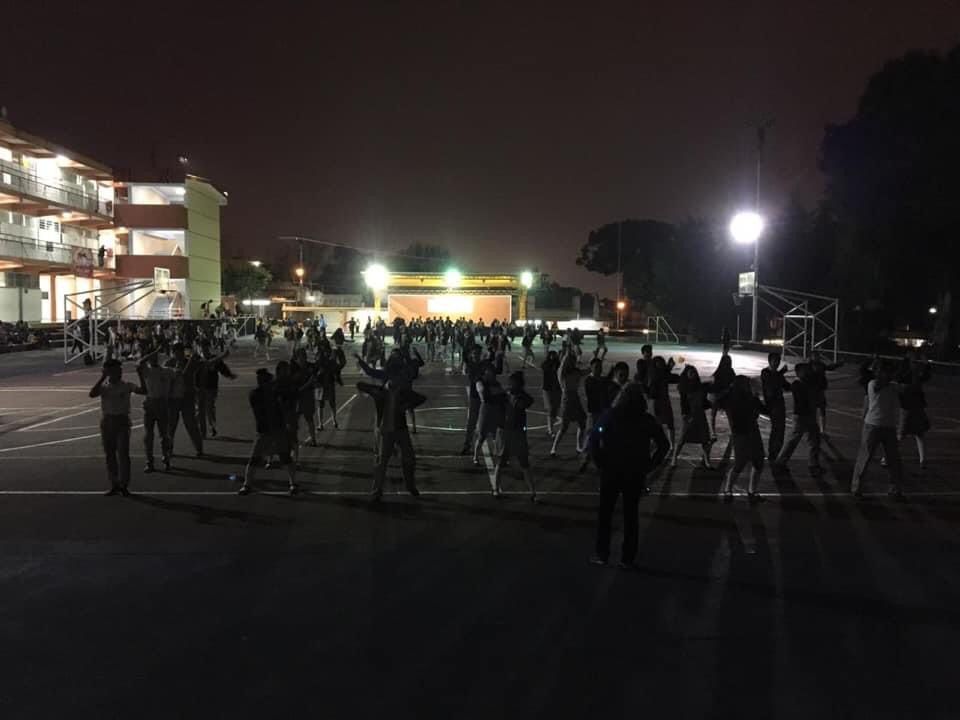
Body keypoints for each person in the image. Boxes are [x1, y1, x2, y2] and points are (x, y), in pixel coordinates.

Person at [589, 384, 669, 568]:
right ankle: (627, 558)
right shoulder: (646, 419)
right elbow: (664, 445)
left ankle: (602, 554)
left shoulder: (610, 415)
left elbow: (593, 440)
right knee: (631, 516)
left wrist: (600, 463)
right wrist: (649, 465)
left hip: (611, 471)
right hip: (635, 472)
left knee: (606, 514)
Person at [90, 359, 145, 496]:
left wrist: (141, 375)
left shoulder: (126, 385)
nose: (119, 373)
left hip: (122, 421)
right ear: (109, 372)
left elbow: (143, 390)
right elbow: (92, 394)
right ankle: (114, 483)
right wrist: (102, 377)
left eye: (120, 370)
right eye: (116, 370)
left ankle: (124, 484)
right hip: (107, 421)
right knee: (110, 454)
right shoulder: (105, 387)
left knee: (123, 453)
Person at [238, 369, 297, 495]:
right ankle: (247, 484)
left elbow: (287, 398)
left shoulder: (266, 393)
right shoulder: (257, 395)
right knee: (255, 459)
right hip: (267, 430)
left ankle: (293, 484)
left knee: (285, 457)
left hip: (274, 430)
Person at [851, 361, 904, 499]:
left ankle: (895, 488)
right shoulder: (873, 384)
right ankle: (856, 487)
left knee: (894, 460)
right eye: (886, 372)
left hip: (889, 427)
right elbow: (881, 384)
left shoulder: (893, 386)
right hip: (872, 425)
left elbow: (908, 389)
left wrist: (913, 373)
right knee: (865, 457)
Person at [719, 375, 767, 501]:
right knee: (741, 463)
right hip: (742, 434)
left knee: (757, 461)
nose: (749, 386)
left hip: (751, 432)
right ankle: (729, 489)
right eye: (747, 384)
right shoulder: (735, 399)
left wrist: (757, 397)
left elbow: (765, 410)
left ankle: (750, 490)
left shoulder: (749, 398)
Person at [492, 371, 537, 501]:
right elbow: (491, 398)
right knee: (501, 461)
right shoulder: (504, 395)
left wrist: (517, 398)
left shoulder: (522, 397)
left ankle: (533, 491)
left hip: (517, 432)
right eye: (511, 382)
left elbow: (527, 402)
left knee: (524, 462)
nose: (511, 384)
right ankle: (496, 488)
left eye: (514, 382)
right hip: (504, 431)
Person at [772, 363, 822, 475]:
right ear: (799, 372)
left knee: (814, 440)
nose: (808, 372)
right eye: (805, 371)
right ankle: (780, 462)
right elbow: (805, 397)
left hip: (808, 415)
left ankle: (813, 464)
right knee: (793, 440)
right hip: (801, 416)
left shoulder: (805, 382)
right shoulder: (797, 384)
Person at [166, 343, 204, 457]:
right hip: (173, 398)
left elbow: (204, 364)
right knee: (171, 425)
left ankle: (199, 448)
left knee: (191, 423)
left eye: (181, 352)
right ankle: (168, 449)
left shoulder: (190, 362)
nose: (179, 355)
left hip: (187, 396)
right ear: (173, 353)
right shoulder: (169, 364)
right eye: (176, 353)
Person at [672, 365, 714, 468]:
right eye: (691, 373)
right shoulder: (684, 387)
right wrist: (684, 414)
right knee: (682, 438)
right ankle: (674, 458)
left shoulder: (700, 387)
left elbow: (704, 401)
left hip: (700, 415)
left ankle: (707, 461)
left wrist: (711, 404)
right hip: (689, 415)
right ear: (686, 374)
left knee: (704, 439)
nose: (693, 375)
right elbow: (683, 402)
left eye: (694, 373)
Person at [550, 349, 589, 457]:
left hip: (575, 398)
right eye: (571, 361)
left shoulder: (576, 371)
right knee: (564, 427)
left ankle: (578, 446)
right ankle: (554, 448)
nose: (573, 363)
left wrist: (594, 362)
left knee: (582, 423)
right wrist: (567, 355)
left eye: (574, 361)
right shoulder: (562, 373)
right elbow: (563, 366)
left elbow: (587, 371)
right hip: (567, 399)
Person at [139, 352, 173, 472]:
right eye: (150, 357)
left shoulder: (166, 371)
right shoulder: (147, 371)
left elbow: (179, 375)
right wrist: (153, 352)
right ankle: (149, 461)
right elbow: (140, 363)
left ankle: (166, 458)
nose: (152, 359)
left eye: (154, 357)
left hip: (162, 403)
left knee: (164, 434)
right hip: (150, 403)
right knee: (148, 435)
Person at [195, 343, 237, 439]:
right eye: (202, 348)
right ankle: (199, 428)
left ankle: (211, 427)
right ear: (199, 349)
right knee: (200, 410)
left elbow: (222, 368)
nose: (204, 350)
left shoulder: (214, 359)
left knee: (210, 408)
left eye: (205, 348)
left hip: (211, 388)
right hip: (199, 389)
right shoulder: (197, 359)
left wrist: (229, 375)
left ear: (209, 348)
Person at [897, 358, 931, 470]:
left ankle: (922, 460)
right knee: (914, 435)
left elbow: (925, 377)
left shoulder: (909, 377)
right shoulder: (911, 378)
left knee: (906, 435)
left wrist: (926, 366)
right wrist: (926, 366)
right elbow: (925, 377)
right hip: (913, 408)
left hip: (910, 408)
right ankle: (922, 460)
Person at [474, 363, 507, 466]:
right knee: (482, 435)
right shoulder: (480, 382)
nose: (492, 374)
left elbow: (503, 396)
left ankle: (498, 456)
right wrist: (497, 394)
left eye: (492, 372)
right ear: (485, 372)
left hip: (496, 410)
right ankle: (475, 457)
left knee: (496, 435)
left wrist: (497, 395)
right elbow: (485, 397)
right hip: (486, 411)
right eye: (489, 371)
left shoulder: (496, 383)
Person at [760, 352, 789, 461]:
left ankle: (776, 452)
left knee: (780, 430)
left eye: (778, 361)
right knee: (776, 429)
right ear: (769, 361)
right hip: (772, 405)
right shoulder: (765, 372)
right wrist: (781, 372)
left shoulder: (777, 374)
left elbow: (786, 386)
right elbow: (771, 383)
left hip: (780, 404)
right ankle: (773, 452)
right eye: (775, 361)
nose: (777, 363)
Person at [808, 351, 844, 437]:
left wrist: (838, 364)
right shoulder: (809, 366)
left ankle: (822, 430)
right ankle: (813, 429)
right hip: (812, 391)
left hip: (820, 391)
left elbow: (829, 367)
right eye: (815, 356)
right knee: (813, 411)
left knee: (822, 410)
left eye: (817, 356)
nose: (817, 357)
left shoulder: (820, 365)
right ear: (811, 357)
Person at [647, 356, 679, 449]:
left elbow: (671, 377)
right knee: (658, 423)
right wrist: (669, 367)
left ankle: (671, 445)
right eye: (658, 364)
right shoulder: (655, 374)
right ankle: (657, 443)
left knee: (668, 423)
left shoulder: (659, 373)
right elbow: (667, 377)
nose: (660, 365)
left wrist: (669, 368)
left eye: (661, 363)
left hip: (663, 401)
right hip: (656, 401)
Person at [710, 354, 735, 440]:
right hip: (720, 395)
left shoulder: (724, 371)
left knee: (716, 415)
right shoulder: (723, 371)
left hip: (723, 396)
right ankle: (714, 432)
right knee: (727, 415)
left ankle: (713, 432)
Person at [541, 350, 562, 437]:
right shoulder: (546, 365)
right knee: (550, 408)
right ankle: (550, 430)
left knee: (555, 409)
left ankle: (550, 428)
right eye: (551, 355)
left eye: (554, 355)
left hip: (557, 389)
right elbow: (545, 367)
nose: (553, 357)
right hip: (548, 389)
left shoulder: (559, 365)